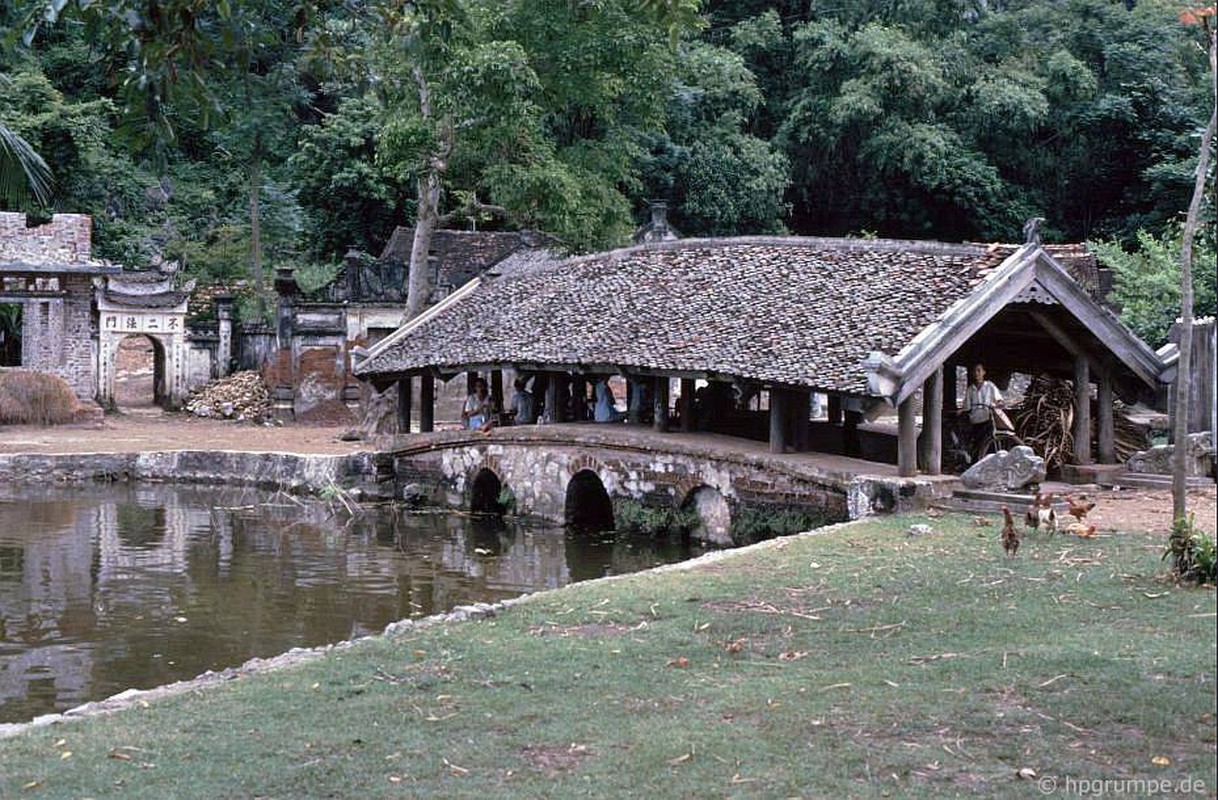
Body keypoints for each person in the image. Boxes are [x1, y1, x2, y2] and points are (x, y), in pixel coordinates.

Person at [960, 363, 1004, 464]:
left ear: (984, 372)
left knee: (989, 443)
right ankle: (976, 465)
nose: (976, 373)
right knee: (977, 444)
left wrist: (998, 404)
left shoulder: (990, 386)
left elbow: (999, 400)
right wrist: (962, 410)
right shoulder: (971, 389)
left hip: (987, 418)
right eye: (975, 371)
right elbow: (967, 406)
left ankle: (991, 465)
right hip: (975, 420)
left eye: (979, 370)